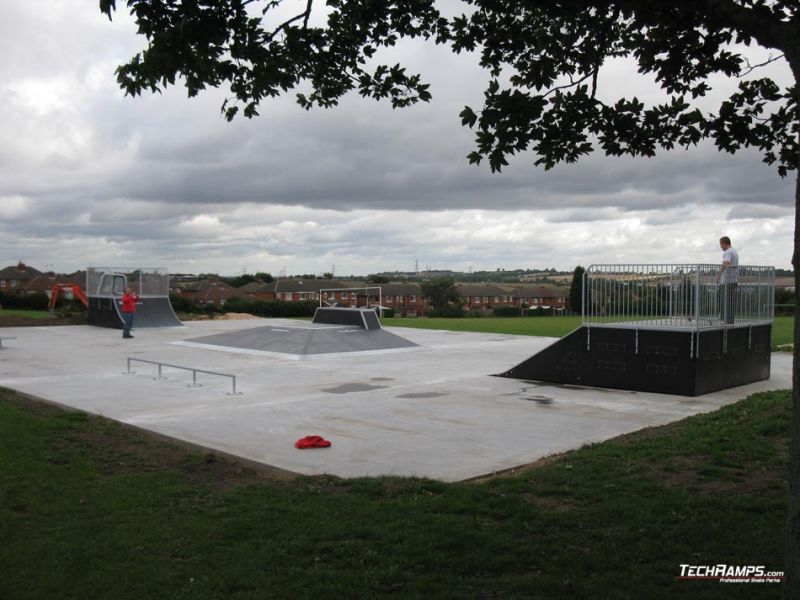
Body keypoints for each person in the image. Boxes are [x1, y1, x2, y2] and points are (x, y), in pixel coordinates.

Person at [717, 236, 739, 324]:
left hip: (727, 281)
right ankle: (730, 320)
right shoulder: (734, 251)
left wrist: (718, 275)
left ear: (724, 243)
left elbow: (726, 263)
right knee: (730, 302)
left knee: (724, 301)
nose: (721, 247)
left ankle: (725, 320)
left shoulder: (728, 252)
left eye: (721, 244)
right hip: (733, 280)